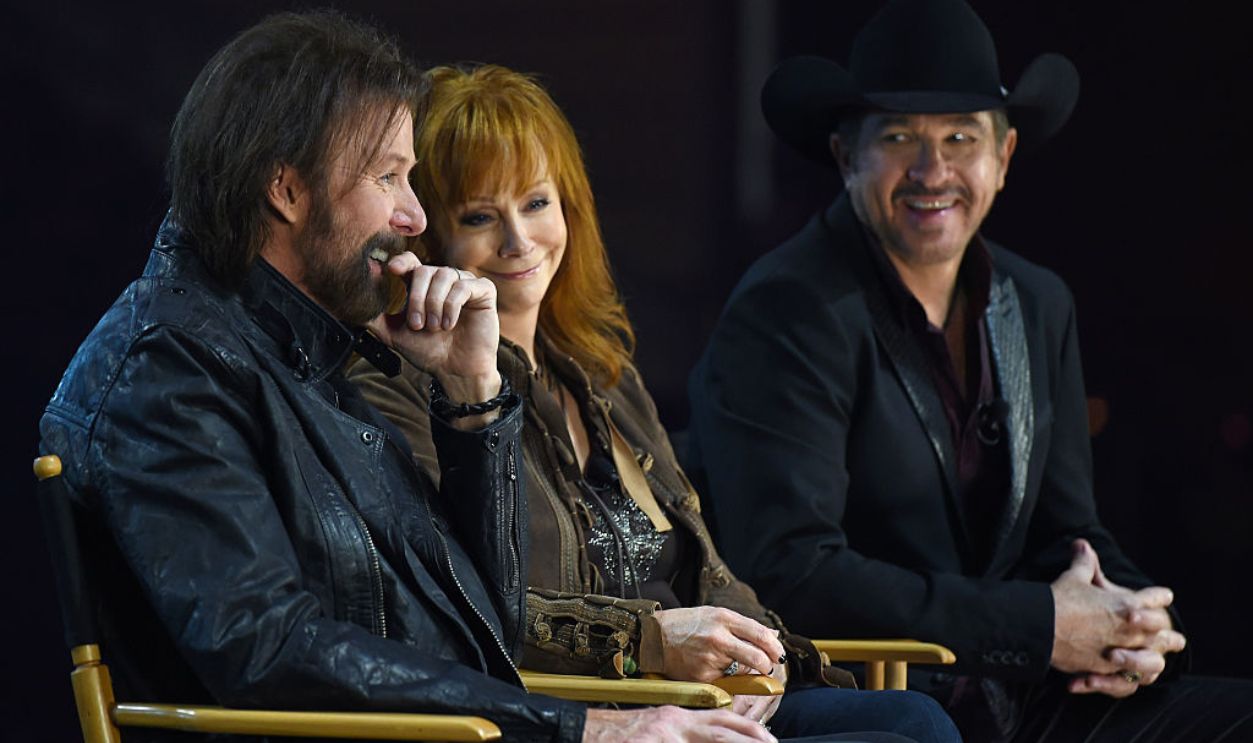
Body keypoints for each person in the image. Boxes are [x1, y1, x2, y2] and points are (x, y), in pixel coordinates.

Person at [36, 12, 811, 743]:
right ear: (286, 190)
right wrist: (588, 729)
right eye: (389, 178)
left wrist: (473, 397)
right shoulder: (168, 369)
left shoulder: (307, 354)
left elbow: (482, 618)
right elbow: (265, 649)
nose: (414, 217)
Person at [685, 0, 1253, 740]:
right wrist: (1038, 624)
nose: (933, 171)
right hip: (873, 694)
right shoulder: (787, 308)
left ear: (1004, 157)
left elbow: (1068, 534)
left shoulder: (1037, 301)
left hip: (1028, 691)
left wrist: (1139, 623)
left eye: (960, 137)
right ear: (842, 154)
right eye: (898, 137)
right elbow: (793, 571)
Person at [348, 64, 960, 743]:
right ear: (429, 238)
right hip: (588, 709)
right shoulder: (396, 386)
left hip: (699, 692)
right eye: (480, 216)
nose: (519, 241)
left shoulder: (598, 374)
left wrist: (768, 657)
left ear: (571, 209)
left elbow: (709, 572)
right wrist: (647, 640)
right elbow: (444, 605)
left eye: (537, 203)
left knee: (914, 716)